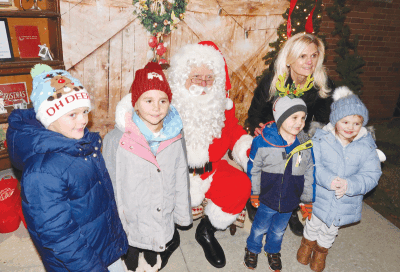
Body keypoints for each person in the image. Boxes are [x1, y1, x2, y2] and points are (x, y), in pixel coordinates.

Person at [6, 64, 128, 271]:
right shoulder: (42, 172)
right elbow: (59, 236)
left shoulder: (82, 144)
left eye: (84, 112)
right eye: (72, 115)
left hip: (100, 244)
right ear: (49, 118)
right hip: (80, 262)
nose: (83, 120)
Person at [167, 41, 253, 268]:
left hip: (211, 170)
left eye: (209, 78)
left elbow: (233, 129)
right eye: (196, 77)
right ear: (183, 76)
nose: (203, 84)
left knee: (240, 185)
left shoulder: (222, 105)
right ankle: (169, 238)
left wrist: (246, 148)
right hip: (176, 172)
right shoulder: (167, 105)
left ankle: (207, 230)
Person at [102, 62, 192, 272]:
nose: (156, 107)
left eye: (163, 100)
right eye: (148, 100)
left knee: (156, 232)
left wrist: (182, 213)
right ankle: (130, 253)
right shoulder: (117, 139)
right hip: (132, 206)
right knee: (132, 238)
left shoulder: (176, 135)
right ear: (135, 104)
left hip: (162, 201)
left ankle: (153, 252)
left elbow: (181, 174)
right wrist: (114, 218)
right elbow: (111, 180)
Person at [246, 33, 335, 236]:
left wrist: (306, 139)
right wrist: (259, 128)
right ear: (289, 58)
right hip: (270, 130)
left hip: (301, 132)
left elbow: (322, 119)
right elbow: (255, 113)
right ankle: (256, 197)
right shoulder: (272, 80)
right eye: (303, 56)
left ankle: (291, 207)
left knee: (300, 163)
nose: (309, 61)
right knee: (269, 158)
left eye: (313, 55)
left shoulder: (320, 82)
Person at [296, 86, 382, 272]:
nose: (351, 128)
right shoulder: (321, 139)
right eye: (345, 122)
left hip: (345, 201)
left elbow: (372, 174)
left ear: (362, 124)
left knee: (330, 230)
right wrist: (329, 180)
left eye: (356, 123)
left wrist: (350, 184)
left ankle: (320, 253)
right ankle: (306, 244)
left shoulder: (366, 147)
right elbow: (313, 164)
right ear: (335, 121)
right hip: (321, 196)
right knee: (314, 223)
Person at [244, 93, 315, 271]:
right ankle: (252, 249)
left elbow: (309, 171)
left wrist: (307, 199)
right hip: (267, 196)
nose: (299, 122)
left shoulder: (304, 144)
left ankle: (273, 250)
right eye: (294, 117)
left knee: (278, 230)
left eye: (303, 118)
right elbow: (253, 168)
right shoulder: (263, 142)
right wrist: (254, 191)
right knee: (260, 227)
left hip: (290, 199)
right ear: (280, 118)